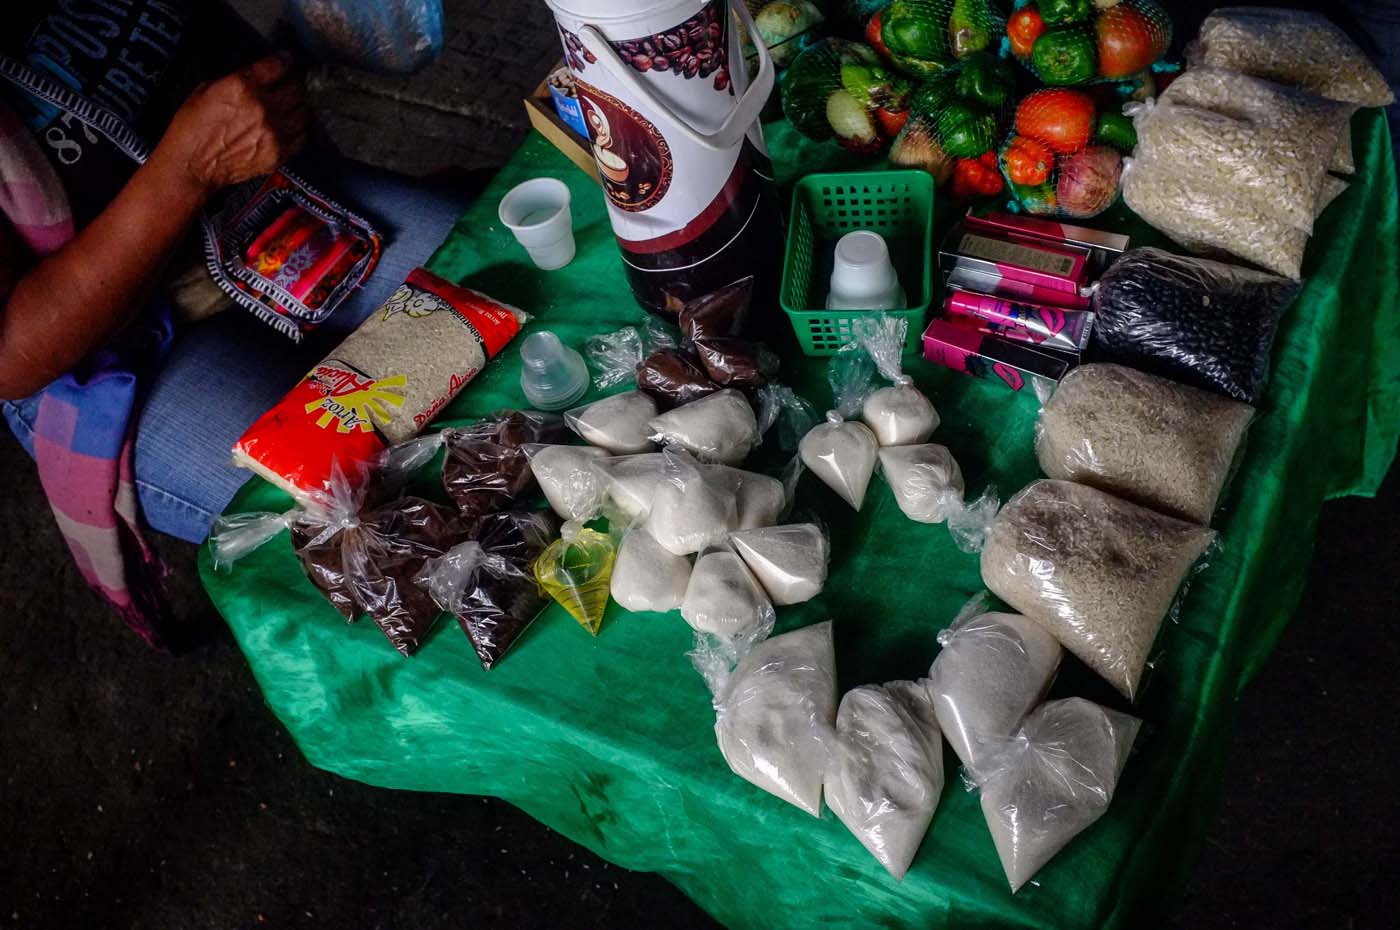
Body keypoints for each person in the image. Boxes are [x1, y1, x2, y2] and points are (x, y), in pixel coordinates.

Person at [0, 1, 466, 643]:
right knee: (365, 533)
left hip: (264, 203)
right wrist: (185, 170)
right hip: (103, 350)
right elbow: (10, 353)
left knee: (519, 285)